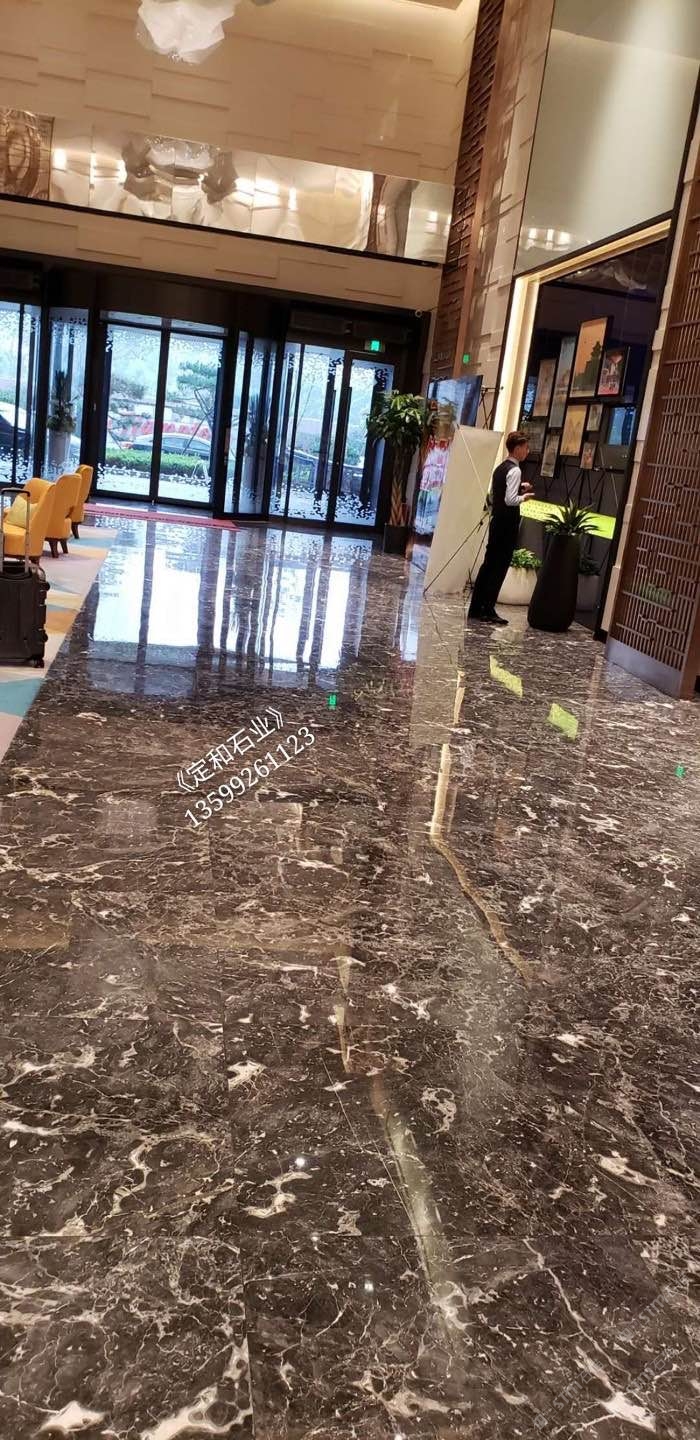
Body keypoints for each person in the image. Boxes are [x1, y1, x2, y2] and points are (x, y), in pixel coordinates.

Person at [468, 430, 533, 626]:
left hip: (497, 521)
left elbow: (500, 493)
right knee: (500, 566)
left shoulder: (500, 468)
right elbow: (510, 500)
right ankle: (488, 608)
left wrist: (519, 488)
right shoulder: (515, 470)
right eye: (525, 447)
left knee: (489, 564)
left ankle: (476, 607)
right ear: (518, 448)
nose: (527, 451)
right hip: (507, 524)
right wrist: (523, 497)